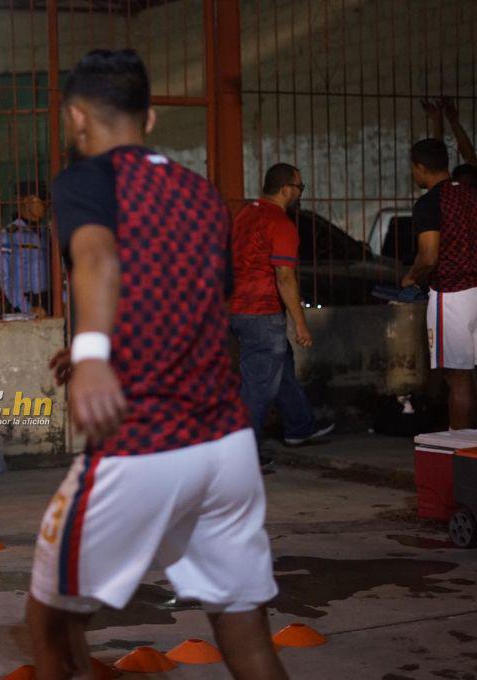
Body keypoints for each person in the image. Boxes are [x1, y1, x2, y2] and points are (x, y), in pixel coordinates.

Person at [30, 49, 287, 680]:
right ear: (149, 119)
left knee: (50, 621)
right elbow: (191, 297)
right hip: (226, 449)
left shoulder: (85, 179)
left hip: (143, 444)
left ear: (75, 119)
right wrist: (104, 339)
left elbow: (97, 260)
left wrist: (92, 356)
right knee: (246, 633)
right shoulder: (201, 193)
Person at [229, 163, 334, 455]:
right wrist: (300, 323)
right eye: (300, 187)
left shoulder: (246, 214)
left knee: (281, 368)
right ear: (286, 188)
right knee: (259, 387)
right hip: (262, 312)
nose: (300, 193)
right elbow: (285, 277)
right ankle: (243, 455)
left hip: (237, 308)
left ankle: (300, 426)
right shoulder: (281, 223)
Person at [402, 138, 477, 430]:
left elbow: (429, 255)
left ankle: (461, 451)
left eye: (414, 169)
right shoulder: (471, 194)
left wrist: (411, 276)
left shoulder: (430, 202)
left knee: (457, 378)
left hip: (452, 295)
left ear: (420, 168)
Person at [0, 181, 50, 318]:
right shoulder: (7, 236)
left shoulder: (47, 233)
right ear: (28, 202)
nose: (46, 206)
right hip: (20, 304)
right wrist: (28, 307)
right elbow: (3, 278)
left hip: (48, 300)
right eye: (42, 201)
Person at [421, 97, 477, 187]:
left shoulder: (448, 195)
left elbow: (438, 164)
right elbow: (470, 158)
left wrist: (438, 121)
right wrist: (453, 121)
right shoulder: (463, 194)